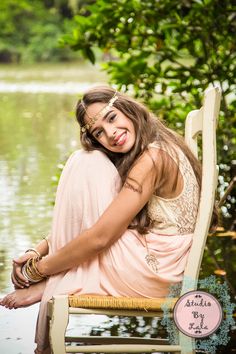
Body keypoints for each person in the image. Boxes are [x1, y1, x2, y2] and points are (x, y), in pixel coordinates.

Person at [0, 86, 201, 354]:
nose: (111, 134)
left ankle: (53, 283)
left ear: (127, 108)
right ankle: (56, 279)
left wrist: (39, 270)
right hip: (166, 265)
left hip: (157, 272)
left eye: (111, 117)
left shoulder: (153, 159)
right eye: (99, 133)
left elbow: (100, 237)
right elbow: (99, 218)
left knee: (84, 160)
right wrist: (37, 249)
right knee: (88, 159)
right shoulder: (158, 145)